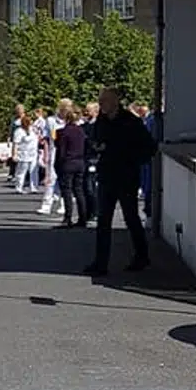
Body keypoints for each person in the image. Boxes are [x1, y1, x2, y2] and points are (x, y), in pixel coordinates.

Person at [83, 88, 156, 276]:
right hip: (107, 175)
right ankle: (101, 263)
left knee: (131, 217)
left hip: (126, 176)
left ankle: (142, 255)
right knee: (103, 220)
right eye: (100, 101)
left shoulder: (131, 122)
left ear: (115, 101)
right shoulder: (102, 120)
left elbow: (149, 147)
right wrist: (97, 146)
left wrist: (131, 159)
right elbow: (95, 138)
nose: (101, 105)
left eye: (104, 101)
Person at [53, 103, 88, 229]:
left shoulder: (62, 132)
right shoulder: (81, 131)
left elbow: (61, 151)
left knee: (67, 191)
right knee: (79, 190)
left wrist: (57, 165)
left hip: (67, 162)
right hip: (80, 162)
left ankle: (68, 218)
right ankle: (83, 218)